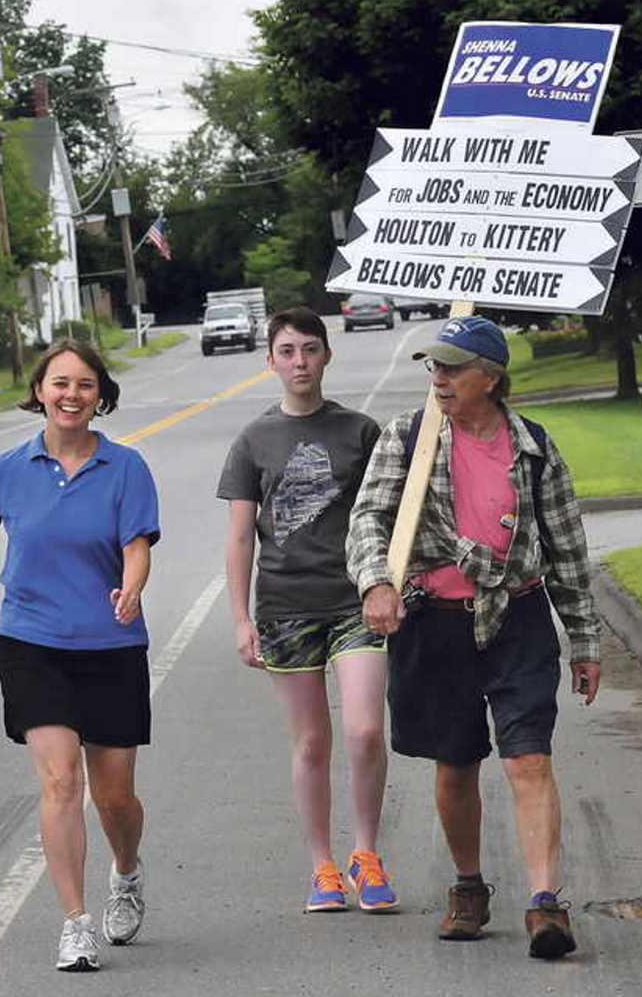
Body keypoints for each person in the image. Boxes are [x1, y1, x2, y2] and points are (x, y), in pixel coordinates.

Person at [0, 338, 160, 973]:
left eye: (85, 385)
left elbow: (137, 544)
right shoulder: (6, 467)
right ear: (39, 390)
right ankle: (75, 922)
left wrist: (133, 587)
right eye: (60, 383)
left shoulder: (126, 467)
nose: (72, 395)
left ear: (101, 397)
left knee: (114, 797)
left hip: (112, 643)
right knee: (61, 780)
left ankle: (126, 870)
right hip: (31, 642)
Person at [347, 315, 601, 959]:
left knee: (528, 757)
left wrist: (585, 640)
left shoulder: (535, 449)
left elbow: (567, 551)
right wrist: (378, 583)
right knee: (455, 762)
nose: (439, 378)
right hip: (434, 622)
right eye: (433, 367)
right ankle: (469, 885)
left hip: (517, 618)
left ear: (490, 378)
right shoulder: (408, 438)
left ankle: (546, 904)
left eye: (452, 368)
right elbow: (369, 520)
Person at [217, 306, 398, 914]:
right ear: (271, 361)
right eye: (288, 351)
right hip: (285, 608)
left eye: (310, 349)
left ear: (327, 355)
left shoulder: (360, 432)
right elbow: (242, 536)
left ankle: (366, 854)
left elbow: (383, 516)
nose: (300, 362)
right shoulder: (254, 441)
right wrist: (242, 620)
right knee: (312, 743)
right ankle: (322, 865)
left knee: (366, 730)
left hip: (354, 603)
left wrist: (388, 585)